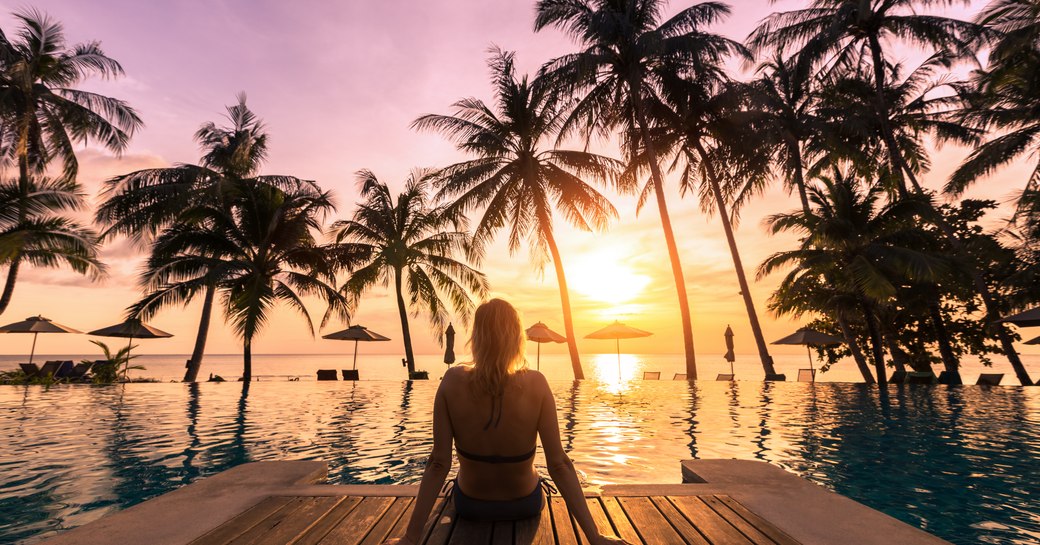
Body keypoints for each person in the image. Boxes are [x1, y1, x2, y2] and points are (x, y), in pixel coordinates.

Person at [383, 299, 630, 545]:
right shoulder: (537, 383)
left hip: (470, 505)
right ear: (516, 339)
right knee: (539, 472)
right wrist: (595, 538)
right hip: (525, 503)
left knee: (457, 479)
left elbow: (438, 463)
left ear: (477, 337)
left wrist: (410, 538)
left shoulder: (451, 381)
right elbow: (559, 465)